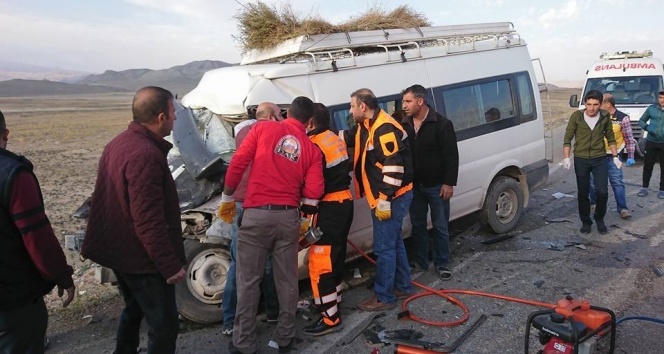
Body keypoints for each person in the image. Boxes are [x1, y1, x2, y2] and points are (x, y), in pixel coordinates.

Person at [82, 86, 186, 354]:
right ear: (161, 117)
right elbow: (148, 220)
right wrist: (169, 265)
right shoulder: (145, 155)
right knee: (164, 325)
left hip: (122, 251)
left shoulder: (119, 143)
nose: (175, 119)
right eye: (173, 113)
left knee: (134, 308)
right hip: (142, 259)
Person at [217, 96, 324, 354]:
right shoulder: (311, 149)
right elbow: (314, 191)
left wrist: (227, 197)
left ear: (287, 113)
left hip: (255, 216)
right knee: (287, 280)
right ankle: (285, 337)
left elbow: (238, 163)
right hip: (287, 217)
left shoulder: (263, 128)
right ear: (309, 122)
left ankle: (244, 342)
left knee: (248, 280)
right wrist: (304, 212)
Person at [0, 110, 76, 353]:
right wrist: (61, 276)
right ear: (6, 134)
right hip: (13, 304)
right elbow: (36, 237)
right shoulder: (13, 175)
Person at [340, 88, 414, 312]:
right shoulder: (366, 125)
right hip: (386, 197)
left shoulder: (383, 128)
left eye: (352, 106)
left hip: (392, 197)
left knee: (384, 248)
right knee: (395, 243)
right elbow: (348, 136)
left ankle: (384, 297)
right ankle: (403, 286)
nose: (350, 111)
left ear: (363, 106)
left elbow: (394, 167)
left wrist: (384, 200)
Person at [221, 103, 282, 337]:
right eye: (279, 115)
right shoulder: (269, 135)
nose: (281, 119)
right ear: (268, 117)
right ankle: (269, 313)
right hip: (255, 202)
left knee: (244, 262)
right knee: (260, 262)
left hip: (242, 201)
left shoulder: (243, 132)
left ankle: (233, 319)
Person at [302, 103, 354, 336]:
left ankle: (330, 318)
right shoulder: (333, 137)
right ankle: (332, 301)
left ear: (310, 122)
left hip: (329, 207)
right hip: (344, 202)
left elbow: (314, 185)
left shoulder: (313, 146)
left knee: (321, 262)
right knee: (336, 256)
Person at [400, 84, 459, 281]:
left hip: (437, 186)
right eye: (403, 102)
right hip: (414, 187)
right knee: (418, 225)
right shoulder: (404, 124)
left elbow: (451, 156)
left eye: (408, 101)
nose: (404, 106)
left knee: (440, 225)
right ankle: (421, 261)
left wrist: (448, 183)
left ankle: (442, 262)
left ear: (420, 101)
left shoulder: (441, 124)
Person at [563, 89, 618, 235]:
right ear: (585, 104)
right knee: (583, 192)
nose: (591, 108)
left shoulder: (605, 116)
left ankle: (599, 219)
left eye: (595, 104)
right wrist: (567, 157)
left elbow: (611, 137)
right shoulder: (577, 116)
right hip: (581, 159)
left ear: (600, 104)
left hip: (599, 158)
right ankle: (586, 221)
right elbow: (567, 138)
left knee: (602, 192)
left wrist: (615, 156)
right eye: (588, 104)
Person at [589, 94, 636, 219]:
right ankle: (594, 204)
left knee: (617, 182)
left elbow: (629, 138)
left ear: (608, 104)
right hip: (596, 155)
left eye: (600, 103)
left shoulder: (622, 118)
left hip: (613, 156)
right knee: (593, 182)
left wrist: (630, 155)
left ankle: (623, 208)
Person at [637, 90, 664, 199]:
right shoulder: (651, 109)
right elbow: (641, 120)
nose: (662, 100)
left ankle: (662, 190)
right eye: (661, 98)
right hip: (651, 142)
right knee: (648, 166)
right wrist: (647, 127)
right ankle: (644, 188)